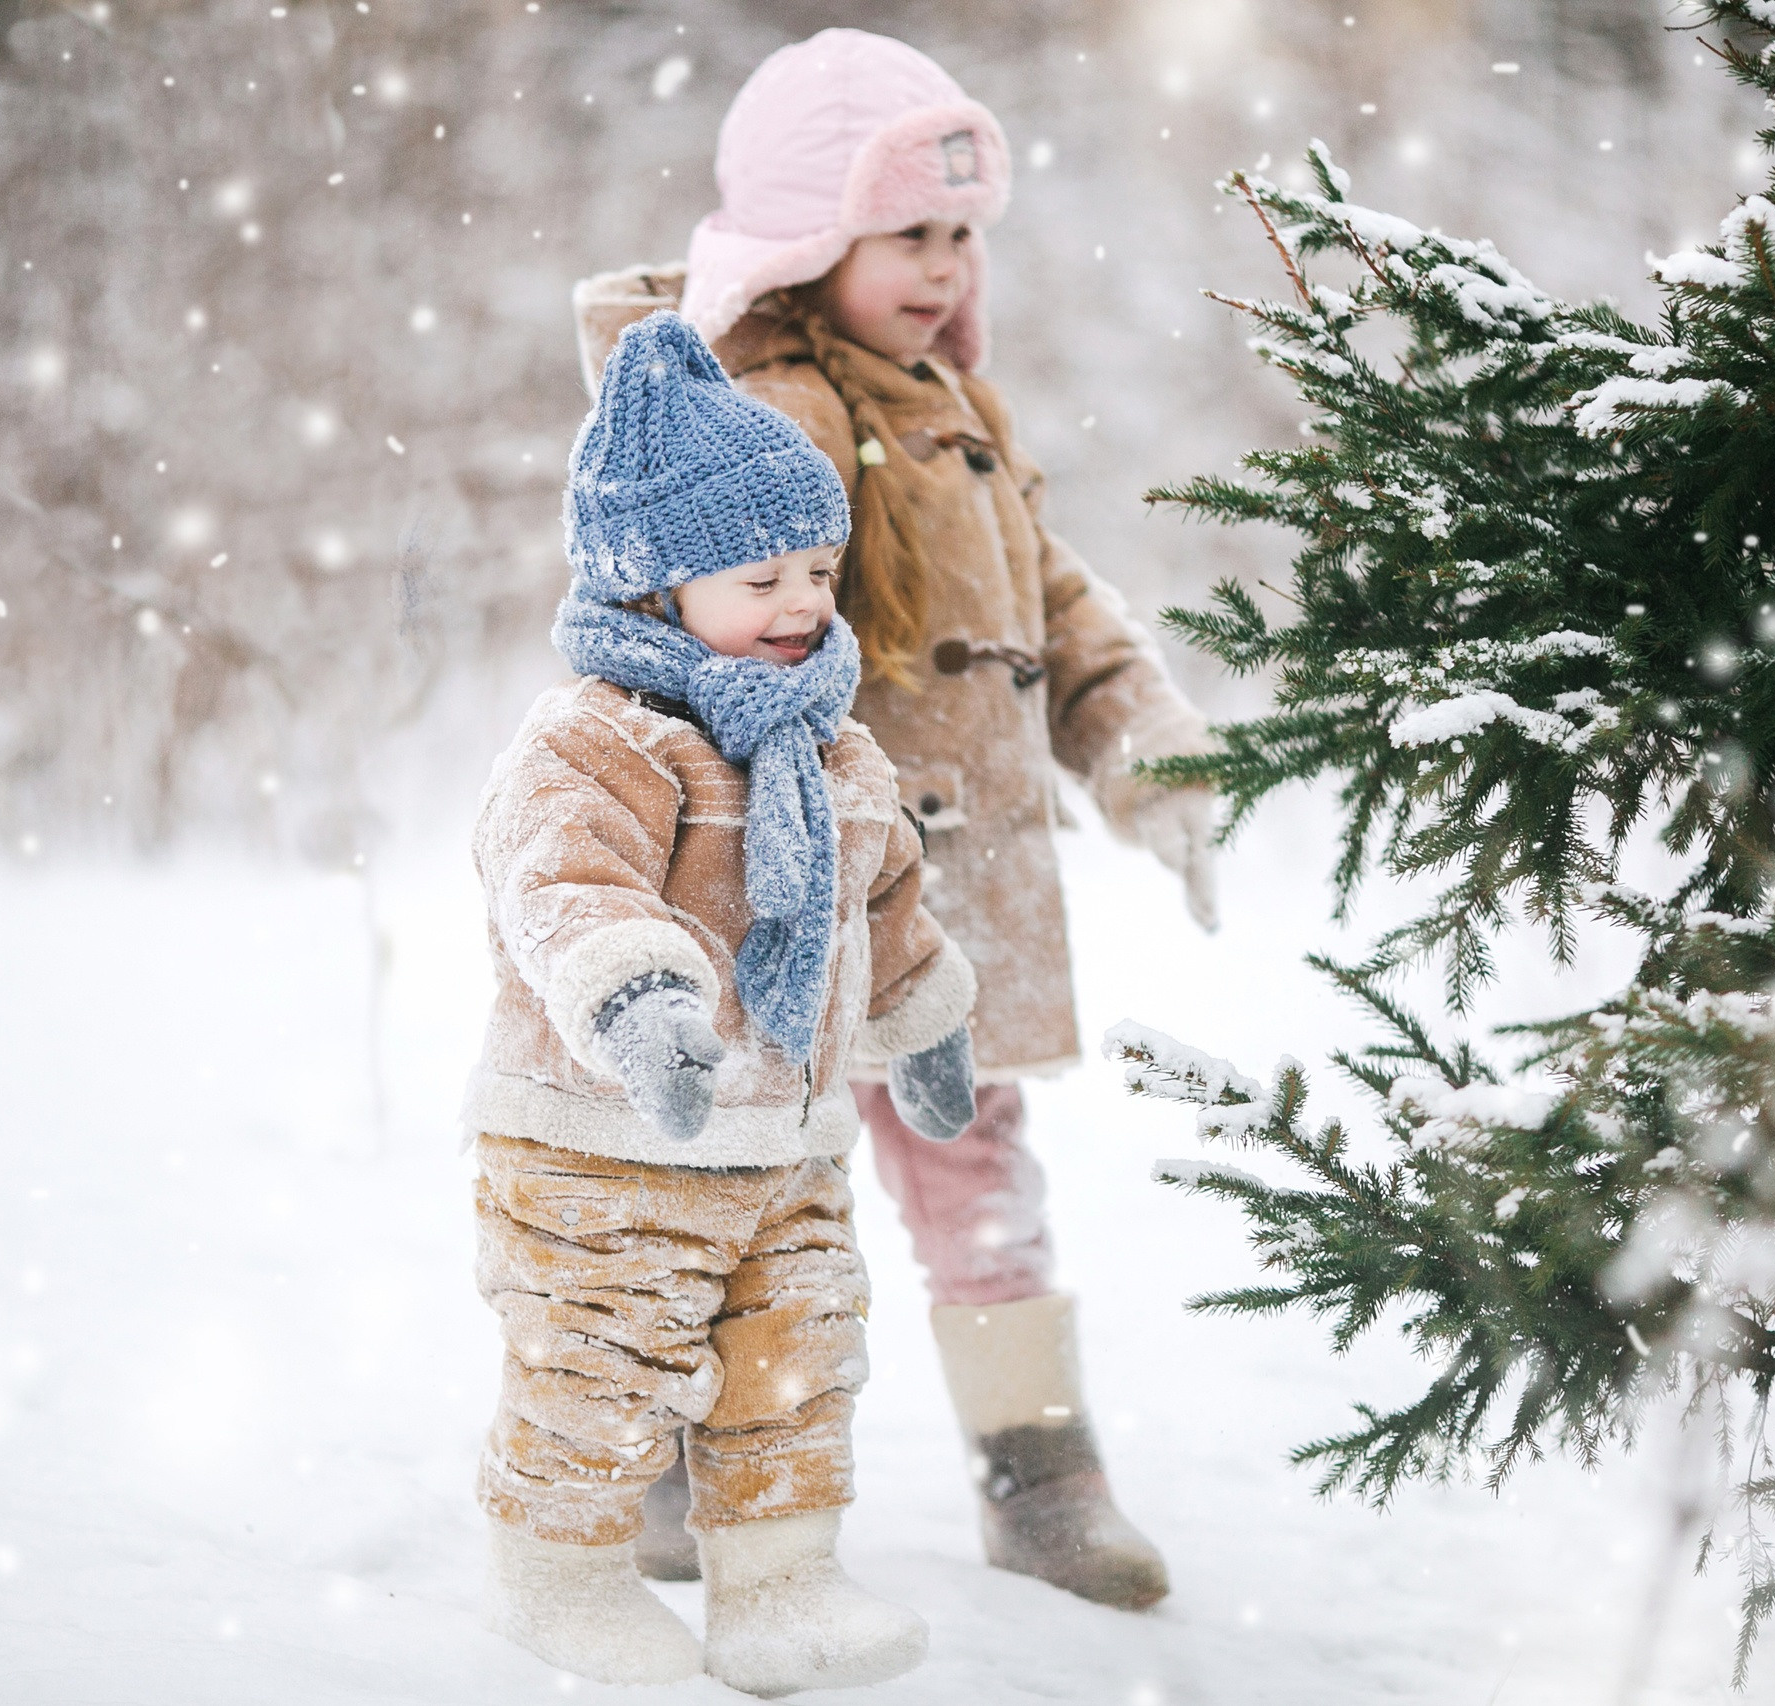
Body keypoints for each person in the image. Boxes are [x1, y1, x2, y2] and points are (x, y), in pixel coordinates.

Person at [572, 27, 1217, 1613]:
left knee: (975, 1167)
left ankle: (1041, 1473)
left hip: (948, 896)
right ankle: (676, 1447)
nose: (943, 268)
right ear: (810, 243)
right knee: (740, 1175)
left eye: (961, 234)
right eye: (907, 234)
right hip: (792, 888)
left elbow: (1055, 610)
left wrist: (1146, 755)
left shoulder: (955, 412)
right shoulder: (776, 419)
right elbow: (699, 632)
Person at [466, 309, 979, 1693]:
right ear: (653, 588)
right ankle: (559, 1577)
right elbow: (560, 883)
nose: (805, 600)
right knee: (600, 1359)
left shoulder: (833, 745)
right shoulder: (600, 738)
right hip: (603, 1136)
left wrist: (927, 1019)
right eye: (760, 575)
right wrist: (637, 1001)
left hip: (784, 1143)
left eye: (817, 566)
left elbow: (886, 899)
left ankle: (781, 1586)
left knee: (798, 1355)